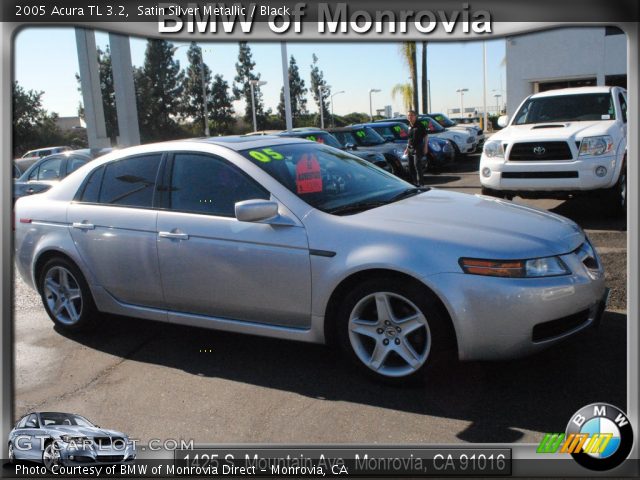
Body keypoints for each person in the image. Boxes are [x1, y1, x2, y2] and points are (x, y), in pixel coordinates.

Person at [403, 110, 428, 186]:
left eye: (411, 115)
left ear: (415, 116)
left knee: (417, 165)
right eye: (408, 115)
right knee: (411, 166)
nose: (410, 117)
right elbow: (409, 139)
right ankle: (414, 183)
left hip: (418, 148)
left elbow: (426, 136)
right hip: (410, 148)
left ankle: (421, 184)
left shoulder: (419, 125)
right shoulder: (409, 126)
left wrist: (425, 147)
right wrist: (407, 148)